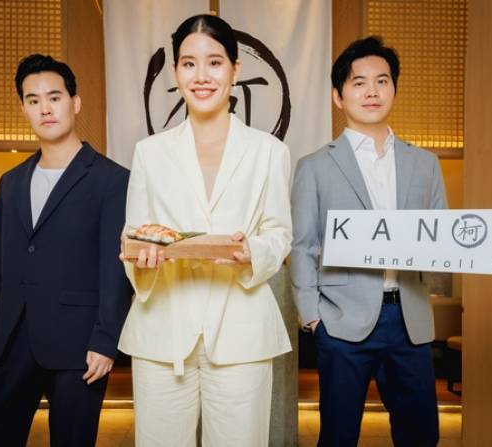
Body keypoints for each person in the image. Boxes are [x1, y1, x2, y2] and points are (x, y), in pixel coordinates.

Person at [117, 14, 292, 447]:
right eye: (188, 63)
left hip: (242, 332)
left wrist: (254, 251)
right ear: (176, 72)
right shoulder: (149, 153)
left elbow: (279, 233)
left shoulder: (269, 152)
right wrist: (144, 252)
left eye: (214, 62)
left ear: (235, 69)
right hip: (162, 331)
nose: (201, 76)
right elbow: (134, 234)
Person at [290, 36, 447, 446]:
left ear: (394, 88)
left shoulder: (425, 164)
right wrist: (313, 318)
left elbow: (440, 238)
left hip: (409, 319)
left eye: (382, 81)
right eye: (359, 83)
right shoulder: (315, 166)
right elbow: (302, 246)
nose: (372, 91)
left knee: (421, 436)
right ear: (338, 96)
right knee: (338, 436)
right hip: (341, 320)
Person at [0, 54, 132, 446]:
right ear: (24, 108)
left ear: (75, 103)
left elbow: (114, 270)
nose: (45, 108)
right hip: (9, 345)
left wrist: (105, 341)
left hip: (80, 351)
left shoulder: (112, 180)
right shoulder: (11, 182)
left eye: (54, 97)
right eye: (33, 100)